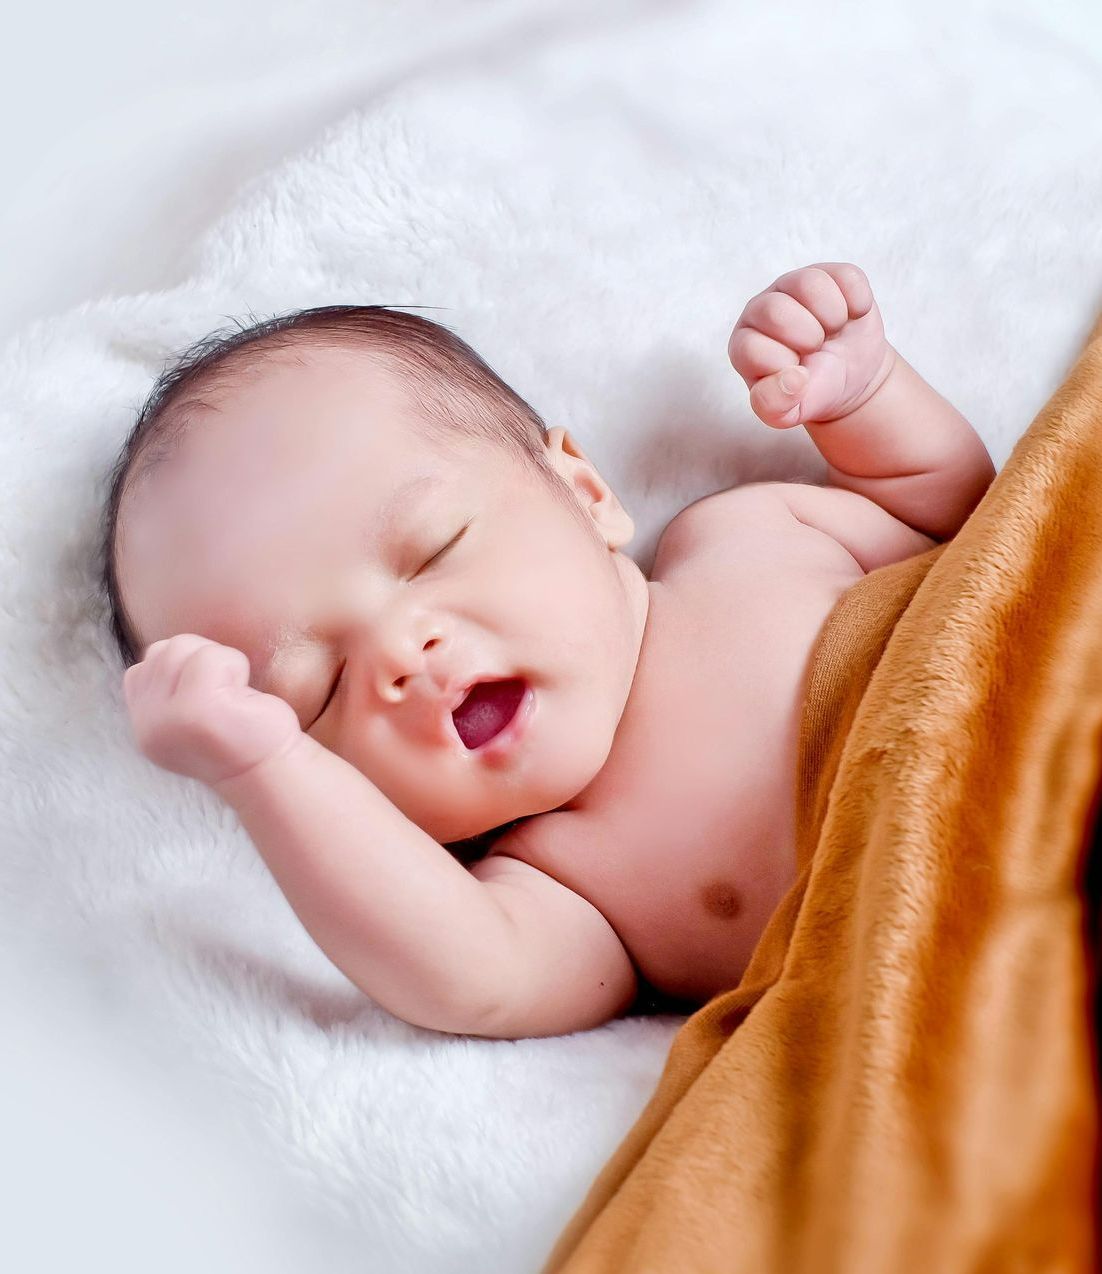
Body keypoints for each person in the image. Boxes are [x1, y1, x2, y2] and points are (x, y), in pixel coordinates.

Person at [104, 263, 995, 1039]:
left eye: (433, 550)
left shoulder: (749, 535)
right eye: (319, 689)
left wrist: (868, 393)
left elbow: (963, 527)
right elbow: (469, 979)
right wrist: (261, 770)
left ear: (584, 489)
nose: (404, 656)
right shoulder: (568, 888)